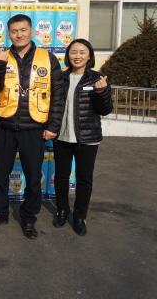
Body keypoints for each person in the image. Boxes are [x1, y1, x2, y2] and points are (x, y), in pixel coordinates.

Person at [0, 14, 64, 239]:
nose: (19, 35)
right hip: (7, 126)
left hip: (35, 127)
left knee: (33, 176)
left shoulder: (48, 58)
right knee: (1, 175)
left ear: (32, 31)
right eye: (14, 31)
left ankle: (29, 218)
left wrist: (53, 126)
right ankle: (0, 213)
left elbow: (58, 95)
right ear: (9, 34)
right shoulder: (2, 56)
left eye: (23, 30)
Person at [53, 38, 112, 236]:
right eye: (73, 52)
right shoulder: (60, 78)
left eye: (82, 52)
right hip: (62, 136)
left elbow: (105, 110)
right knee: (61, 176)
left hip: (87, 138)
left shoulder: (97, 78)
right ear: (68, 55)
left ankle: (79, 216)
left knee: (84, 178)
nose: (77, 56)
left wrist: (102, 92)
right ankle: (62, 210)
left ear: (89, 56)